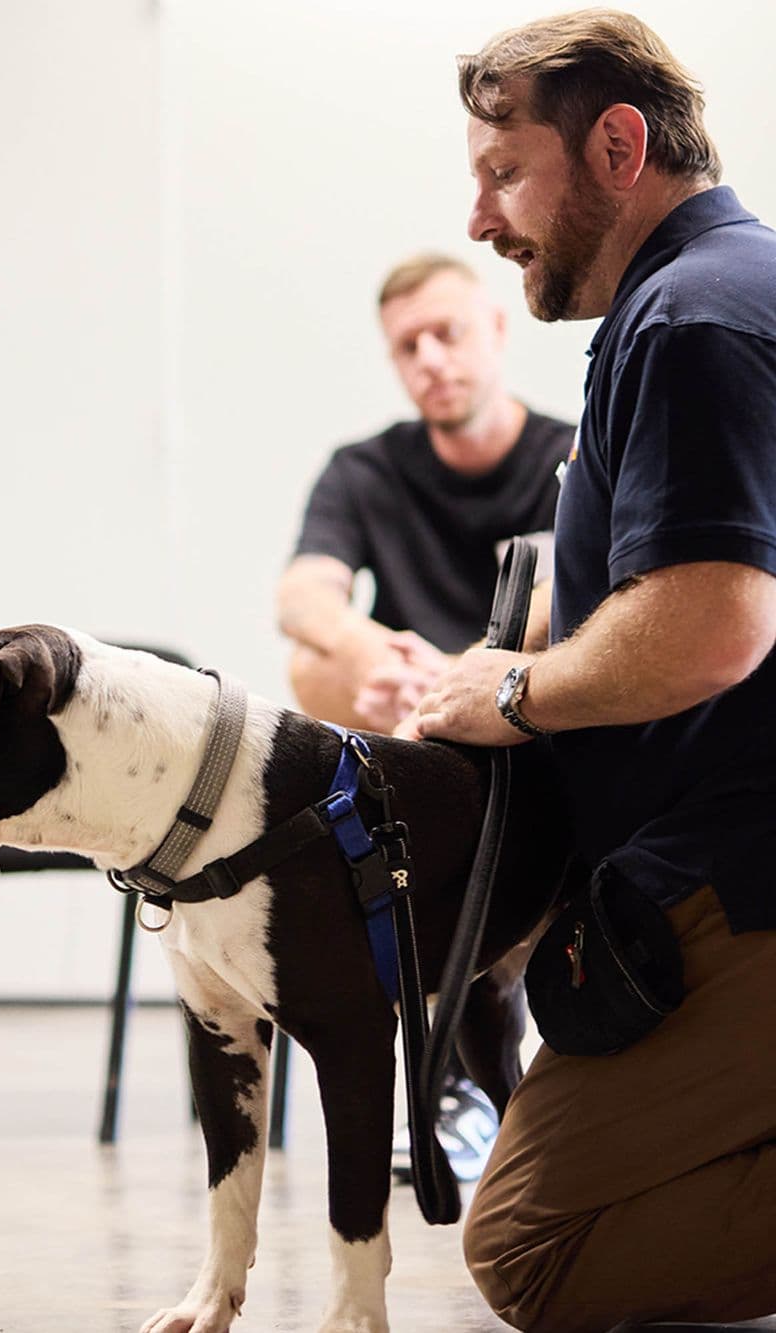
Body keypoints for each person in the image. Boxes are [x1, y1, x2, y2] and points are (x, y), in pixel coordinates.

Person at [409, 10, 776, 1331]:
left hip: (743, 874)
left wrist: (506, 694)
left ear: (619, 147)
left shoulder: (690, 320)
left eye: (504, 173)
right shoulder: (728, 290)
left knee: (530, 1247)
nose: (481, 219)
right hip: (725, 849)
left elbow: (711, 626)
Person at [277, 255, 575, 1182]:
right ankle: (445, 1060)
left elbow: (573, 599)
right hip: (412, 742)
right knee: (313, 663)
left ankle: (484, 1051)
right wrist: (378, 656)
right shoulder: (367, 469)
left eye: (447, 333)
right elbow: (303, 595)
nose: (430, 359)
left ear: (497, 328)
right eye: (408, 346)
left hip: (526, 722)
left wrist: (457, 678)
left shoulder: (571, 454)